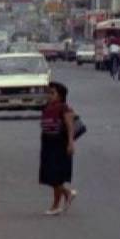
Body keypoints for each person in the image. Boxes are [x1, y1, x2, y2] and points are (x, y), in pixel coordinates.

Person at [38, 81, 77, 216]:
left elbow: (70, 126)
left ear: (60, 96)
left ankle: (56, 206)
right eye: (48, 93)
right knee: (48, 175)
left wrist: (70, 143)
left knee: (55, 176)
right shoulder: (48, 107)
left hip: (59, 145)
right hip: (48, 144)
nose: (49, 95)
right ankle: (67, 193)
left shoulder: (64, 108)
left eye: (53, 93)